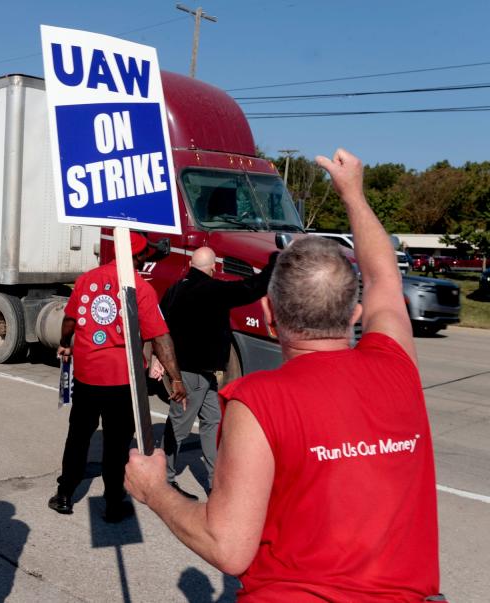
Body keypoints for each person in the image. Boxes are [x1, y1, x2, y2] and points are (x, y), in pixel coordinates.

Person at [124, 149, 442, 601]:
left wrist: (155, 491)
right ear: (354, 314)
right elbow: (384, 277)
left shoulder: (257, 400)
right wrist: (353, 194)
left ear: (270, 315)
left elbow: (228, 547)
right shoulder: (398, 367)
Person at [48, 232, 187, 523]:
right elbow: (160, 337)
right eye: (144, 255)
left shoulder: (87, 280)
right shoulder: (140, 289)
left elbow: (70, 318)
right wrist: (175, 379)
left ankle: (64, 495)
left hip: (87, 375)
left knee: (78, 436)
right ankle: (113, 504)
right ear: (138, 257)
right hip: (123, 381)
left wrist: (65, 341)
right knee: (116, 444)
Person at [152, 246, 276, 499]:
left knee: (212, 422)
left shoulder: (175, 289)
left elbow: (160, 326)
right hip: (191, 374)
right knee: (179, 427)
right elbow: (251, 288)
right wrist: (275, 262)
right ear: (213, 267)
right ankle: (164, 480)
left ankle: (214, 482)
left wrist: (157, 358)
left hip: (199, 375)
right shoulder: (212, 289)